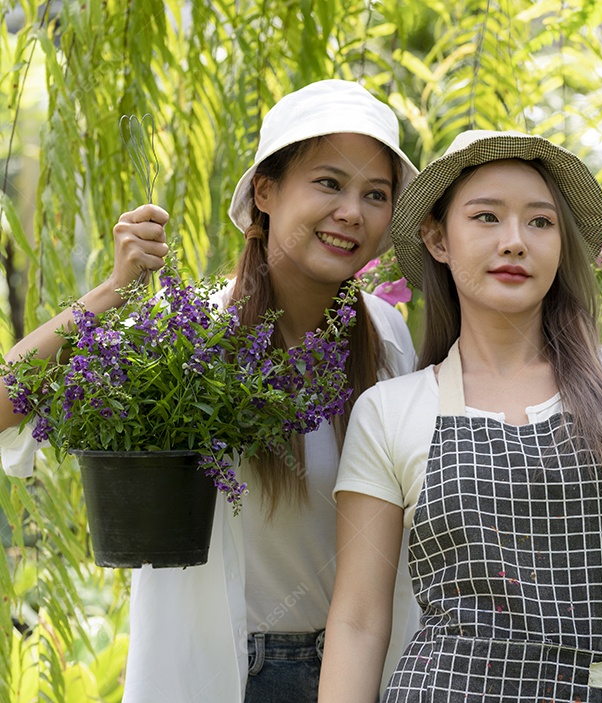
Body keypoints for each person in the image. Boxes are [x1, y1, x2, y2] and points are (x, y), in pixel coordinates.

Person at [1, 80, 422, 702]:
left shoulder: (387, 341)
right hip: (224, 668)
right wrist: (113, 293)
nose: (352, 212)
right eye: (329, 183)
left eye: (376, 194)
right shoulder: (188, 333)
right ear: (266, 191)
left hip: (357, 671)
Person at [321, 130, 602, 702]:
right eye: (486, 217)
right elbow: (359, 622)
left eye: (540, 222)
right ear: (438, 238)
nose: (515, 242)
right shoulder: (391, 410)